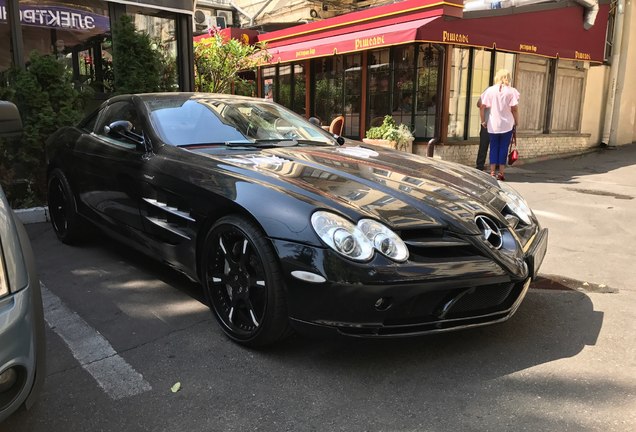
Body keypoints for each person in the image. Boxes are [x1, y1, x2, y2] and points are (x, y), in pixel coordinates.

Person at [479, 69, 519, 181]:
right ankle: (501, 173)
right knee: (503, 148)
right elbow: (514, 109)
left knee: (493, 147)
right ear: (507, 78)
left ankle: (492, 172)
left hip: (493, 124)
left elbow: (482, 106)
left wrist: (483, 121)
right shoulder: (512, 91)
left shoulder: (490, 90)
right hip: (507, 124)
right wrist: (516, 121)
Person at [475, 95, 490, 171]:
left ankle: (480, 165)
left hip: (486, 123)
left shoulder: (488, 91)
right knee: (496, 146)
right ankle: (496, 167)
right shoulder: (507, 92)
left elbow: (478, 104)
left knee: (483, 145)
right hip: (498, 125)